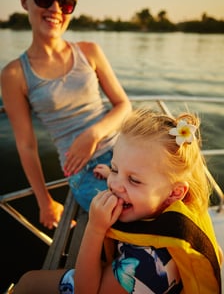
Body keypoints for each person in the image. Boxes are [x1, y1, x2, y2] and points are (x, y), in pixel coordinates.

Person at [11, 108, 222, 293]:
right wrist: (119, 174)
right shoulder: (177, 209)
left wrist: (95, 228)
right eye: (115, 168)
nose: (114, 184)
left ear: (175, 193)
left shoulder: (148, 262)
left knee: (29, 282)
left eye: (134, 180)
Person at [0, 0, 131, 229]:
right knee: (126, 217)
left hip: (126, 150)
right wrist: (44, 201)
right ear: (25, 0)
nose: (55, 9)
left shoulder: (90, 51)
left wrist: (92, 134)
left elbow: (123, 105)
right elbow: (26, 145)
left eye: (66, 2)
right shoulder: (14, 74)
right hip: (83, 171)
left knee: (171, 197)